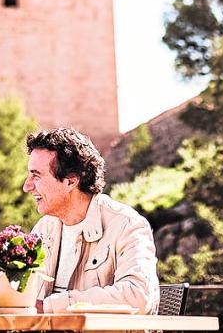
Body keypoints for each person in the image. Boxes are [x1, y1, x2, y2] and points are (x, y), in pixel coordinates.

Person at [22, 128, 160, 314]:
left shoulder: (127, 225)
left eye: (36, 176)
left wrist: (51, 306)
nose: (27, 186)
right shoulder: (43, 229)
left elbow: (137, 295)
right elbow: (20, 298)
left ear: (71, 181)